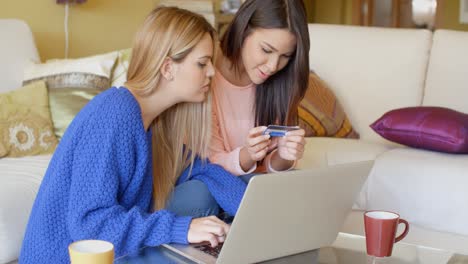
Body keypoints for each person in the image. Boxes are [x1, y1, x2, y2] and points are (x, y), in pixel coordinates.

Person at [19, 7, 246, 263]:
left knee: (201, 194)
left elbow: (199, 168)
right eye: (202, 63)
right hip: (70, 258)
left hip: (113, 252)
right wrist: (182, 228)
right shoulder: (115, 113)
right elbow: (90, 224)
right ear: (168, 67)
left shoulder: (155, 123)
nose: (212, 73)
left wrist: (254, 209)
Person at [209, 0, 311, 179]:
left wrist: (285, 156)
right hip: (215, 181)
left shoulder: (281, 82)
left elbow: (270, 167)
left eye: (285, 56)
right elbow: (209, 163)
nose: (273, 66)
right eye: (266, 50)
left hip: (259, 184)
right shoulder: (206, 73)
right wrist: (248, 155)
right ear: (243, 30)